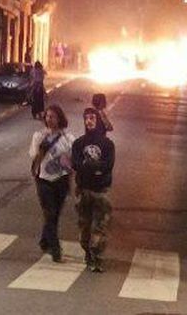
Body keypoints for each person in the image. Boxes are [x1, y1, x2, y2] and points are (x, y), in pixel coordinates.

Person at [30, 104, 74, 263]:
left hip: (61, 181)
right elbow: (34, 157)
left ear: (60, 118)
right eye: (47, 116)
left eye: (53, 116)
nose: (49, 119)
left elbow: (72, 159)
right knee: (49, 213)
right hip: (44, 180)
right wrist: (42, 150)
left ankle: (44, 241)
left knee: (54, 215)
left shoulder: (68, 138)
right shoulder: (39, 136)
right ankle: (56, 250)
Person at [72, 107, 115, 272]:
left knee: (101, 226)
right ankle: (87, 253)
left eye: (92, 118)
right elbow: (76, 164)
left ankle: (97, 256)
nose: (89, 121)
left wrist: (91, 166)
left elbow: (108, 166)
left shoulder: (107, 144)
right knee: (84, 226)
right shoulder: (79, 143)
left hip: (101, 190)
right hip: (83, 190)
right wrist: (92, 168)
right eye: (86, 118)